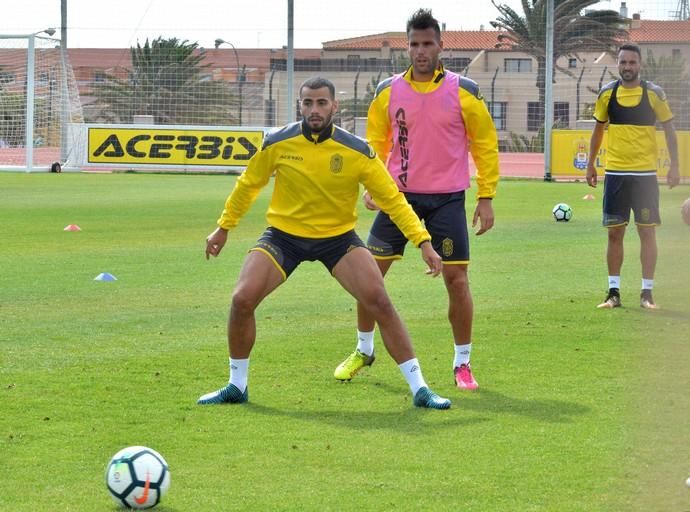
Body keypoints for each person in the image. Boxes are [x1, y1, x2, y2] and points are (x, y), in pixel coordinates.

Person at [197, 76, 451, 410]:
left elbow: (392, 199)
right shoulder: (277, 142)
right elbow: (248, 185)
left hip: (337, 239)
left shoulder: (357, 151)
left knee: (379, 300)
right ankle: (236, 385)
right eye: (307, 103)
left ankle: (420, 389)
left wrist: (423, 242)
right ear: (299, 105)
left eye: (321, 103)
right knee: (242, 299)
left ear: (334, 106)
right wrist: (223, 227)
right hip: (284, 237)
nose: (314, 110)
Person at [333, 9, 499, 390]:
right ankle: (363, 349)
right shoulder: (388, 91)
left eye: (427, 43)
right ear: (407, 47)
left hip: (447, 201)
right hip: (398, 200)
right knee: (368, 277)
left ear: (441, 46)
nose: (420, 51)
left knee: (457, 280)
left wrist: (486, 196)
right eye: (414, 44)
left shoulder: (464, 91)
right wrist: (372, 186)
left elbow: (485, 146)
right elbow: (375, 144)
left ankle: (462, 363)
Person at [586, 43, 679, 310]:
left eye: (632, 62)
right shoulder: (607, 94)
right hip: (615, 173)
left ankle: (646, 293)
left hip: (645, 176)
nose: (628, 67)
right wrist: (590, 164)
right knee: (615, 233)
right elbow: (598, 131)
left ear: (640, 65)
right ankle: (613, 293)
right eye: (623, 62)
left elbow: (670, 130)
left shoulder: (654, 94)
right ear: (618, 65)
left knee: (647, 233)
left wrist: (675, 166)